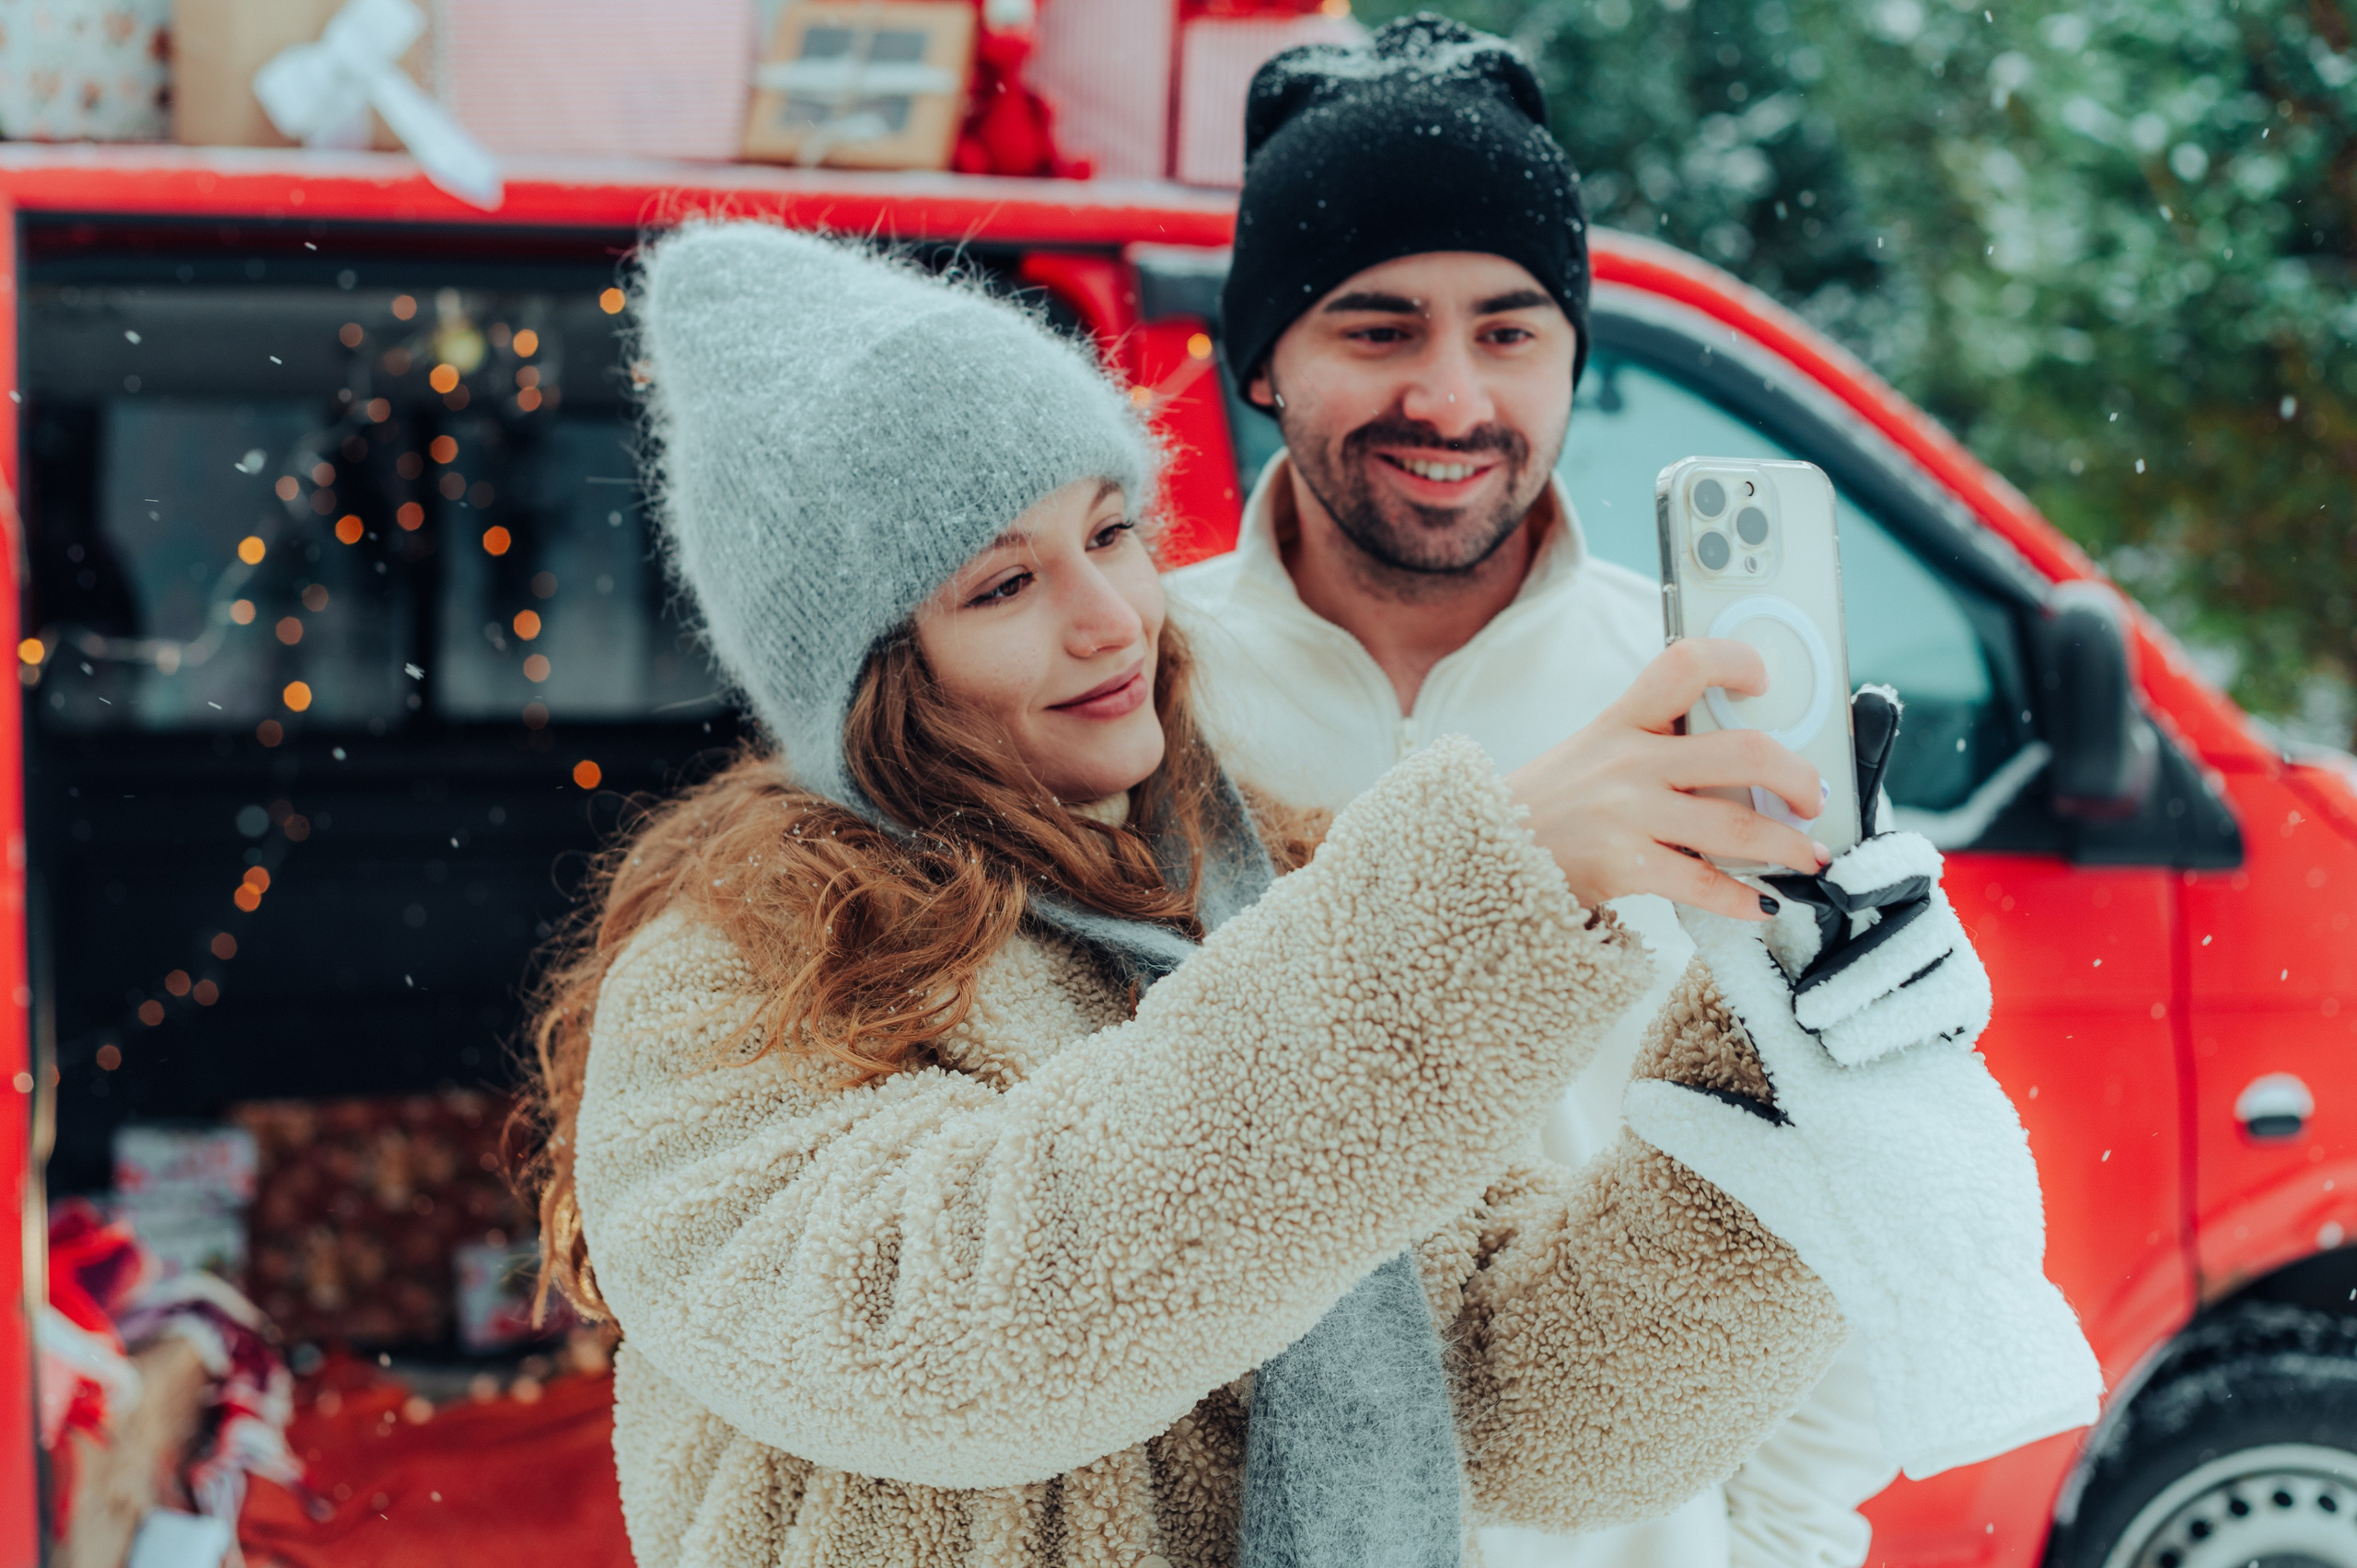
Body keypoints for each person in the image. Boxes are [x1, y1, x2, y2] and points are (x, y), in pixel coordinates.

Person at [520, 220, 2064, 1568]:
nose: (1109, 615)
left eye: (1112, 532)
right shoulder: (740, 968)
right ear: (862, 673)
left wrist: (1774, 1072)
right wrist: (1494, 885)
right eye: (1004, 584)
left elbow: (1522, 1403)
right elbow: (971, 1329)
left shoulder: (1248, 883)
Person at [1166, 17, 1889, 1568]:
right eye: (1377, 327)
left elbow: (1831, 1170)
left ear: (1572, 354)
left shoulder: (1707, 701)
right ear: (1262, 358)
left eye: (1509, 330)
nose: (1451, 396)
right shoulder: (1133, 694)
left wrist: (1779, 1551)